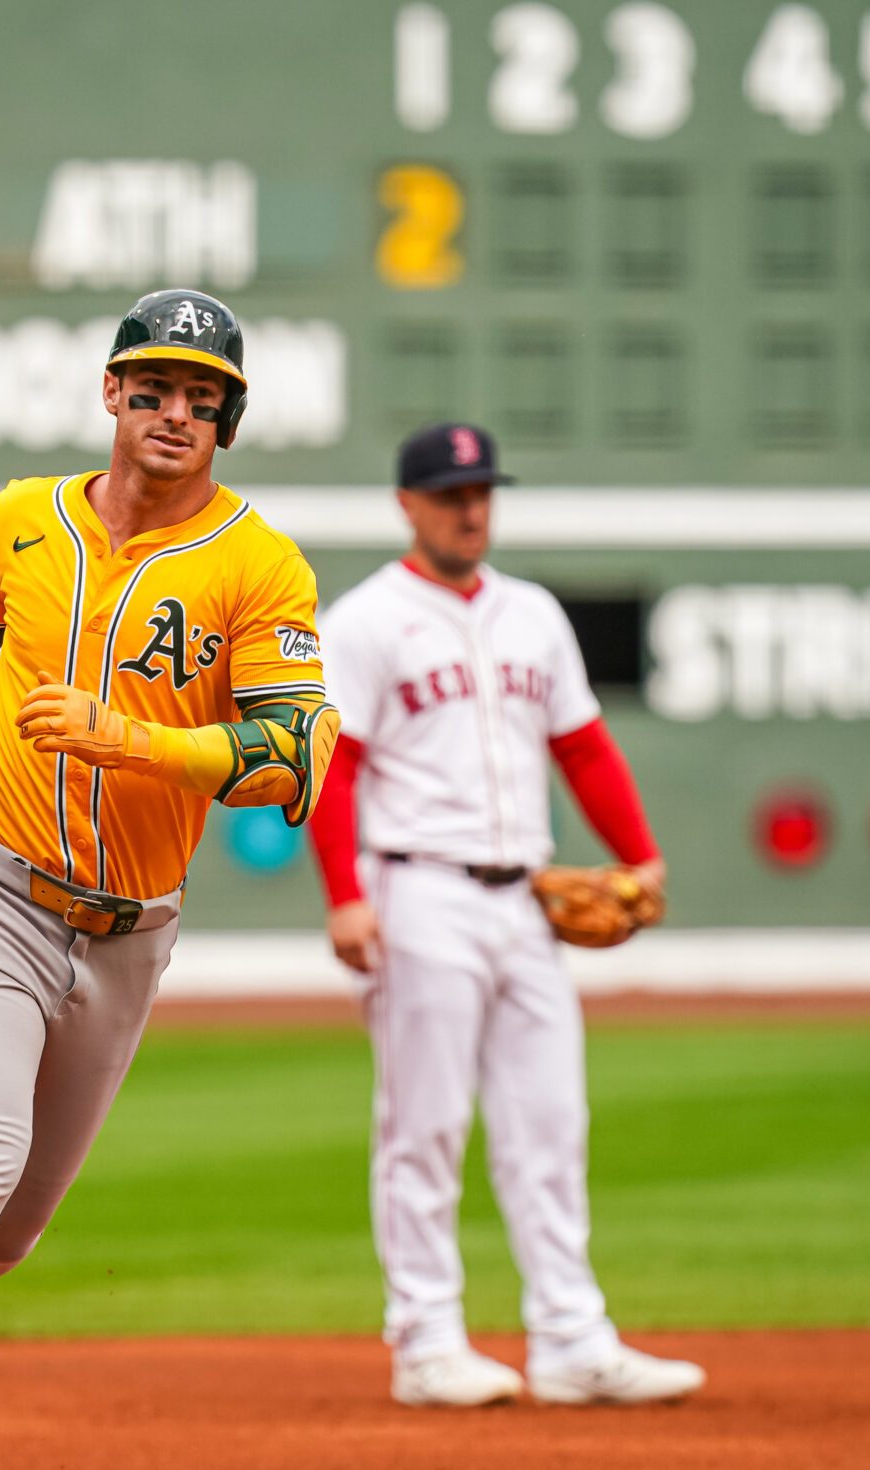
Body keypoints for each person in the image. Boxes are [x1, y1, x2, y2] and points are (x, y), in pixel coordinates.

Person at [0, 289, 340, 1470]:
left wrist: (138, 739)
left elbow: (294, 754)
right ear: (111, 393)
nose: (174, 411)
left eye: (201, 394)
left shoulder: (261, 564)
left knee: (4, 1232)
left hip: (127, 934)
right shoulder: (27, 516)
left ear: (227, 416)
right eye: (153, 385)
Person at [306, 422, 702, 1410]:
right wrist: (345, 896)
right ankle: (426, 1339)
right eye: (449, 492)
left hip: (525, 899)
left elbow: (582, 746)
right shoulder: (365, 622)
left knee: (550, 1121)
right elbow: (331, 766)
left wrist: (636, 855)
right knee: (424, 1126)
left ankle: (572, 1336)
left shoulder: (532, 615)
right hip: (416, 891)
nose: (470, 507)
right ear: (407, 503)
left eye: (481, 489)